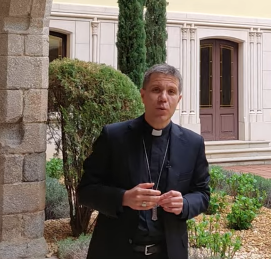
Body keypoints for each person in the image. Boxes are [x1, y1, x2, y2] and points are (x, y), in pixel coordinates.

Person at [77, 63, 210, 259]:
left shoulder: (193, 143)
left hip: (168, 253)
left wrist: (185, 203)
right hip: (115, 251)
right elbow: (85, 191)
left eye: (171, 91)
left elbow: (203, 194)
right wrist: (124, 198)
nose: (163, 98)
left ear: (178, 99)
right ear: (143, 95)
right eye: (156, 90)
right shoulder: (113, 137)